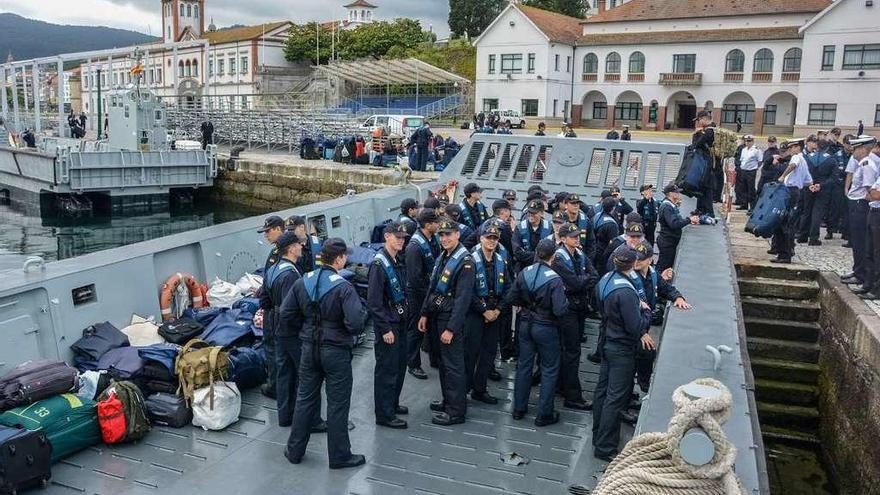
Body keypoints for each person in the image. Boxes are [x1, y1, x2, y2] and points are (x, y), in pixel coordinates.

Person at [284, 239, 367, 469]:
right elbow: (356, 323)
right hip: (336, 352)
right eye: (345, 256)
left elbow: (286, 314)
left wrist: (306, 329)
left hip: (309, 349)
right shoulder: (343, 287)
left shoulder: (303, 281)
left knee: (304, 400)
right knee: (337, 404)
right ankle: (340, 456)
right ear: (339, 259)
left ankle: (294, 450)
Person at [592, 245, 653, 462]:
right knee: (615, 397)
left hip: (607, 341)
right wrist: (646, 312)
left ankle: (596, 434)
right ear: (633, 263)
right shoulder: (626, 291)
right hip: (621, 348)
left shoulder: (606, 279)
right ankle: (605, 446)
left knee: (602, 391)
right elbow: (635, 326)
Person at [417, 218, 475, 426]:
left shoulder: (465, 262)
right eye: (441, 235)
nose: (444, 238)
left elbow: (463, 299)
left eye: (448, 234)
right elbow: (433, 286)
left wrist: (451, 328)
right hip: (436, 314)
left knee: (453, 365)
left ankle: (456, 411)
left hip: (449, 318)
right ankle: (448, 400)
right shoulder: (444, 256)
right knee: (442, 362)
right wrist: (424, 313)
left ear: (457, 235)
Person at [508, 239, 568, 425]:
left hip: (526, 323)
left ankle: (519, 408)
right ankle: (544, 413)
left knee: (524, 365)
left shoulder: (525, 272)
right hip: (546, 326)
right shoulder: (555, 279)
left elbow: (512, 297)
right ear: (553, 256)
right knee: (549, 368)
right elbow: (559, 310)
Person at [368, 222, 411, 429]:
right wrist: (385, 329)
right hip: (389, 326)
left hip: (400, 321)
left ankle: (392, 403)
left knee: (400, 365)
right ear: (387, 237)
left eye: (403, 237)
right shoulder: (379, 265)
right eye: (397, 237)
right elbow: (374, 303)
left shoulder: (397, 260)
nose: (401, 240)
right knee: (387, 370)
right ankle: (384, 414)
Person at [552, 223, 598, 411]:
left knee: (571, 348)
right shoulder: (560, 259)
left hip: (578, 307)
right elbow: (575, 282)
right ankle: (572, 395)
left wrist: (580, 282)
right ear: (563, 239)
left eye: (578, 235)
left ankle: (561, 385)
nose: (577, 238)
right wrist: (581, 281)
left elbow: (593, 275)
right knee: (571, 351)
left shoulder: (579, 255)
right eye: (573, 236)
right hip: (567, 309)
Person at [272, 233, 314, 427]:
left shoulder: (273, 269)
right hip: (291, 332)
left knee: (284, 373)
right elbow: (291, 307)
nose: (301, 246)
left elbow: (264, 300)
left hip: (277, 329)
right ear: (290, 248)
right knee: (305, 374)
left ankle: (285, 416)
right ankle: (309, 419)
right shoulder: (291, 274)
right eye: (298, 244)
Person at [465, 223, 510, 404]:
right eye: (488, 237)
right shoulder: (470, 261)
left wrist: (497, 310)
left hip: (495, 313)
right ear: (481, 238)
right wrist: (484, 311)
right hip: (476, 314)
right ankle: (464, 388)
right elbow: (467, 291)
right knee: (469, 354)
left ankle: (480, 389)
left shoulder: (501, 261)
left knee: (489, 353)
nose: (492, 241)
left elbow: (508, 288)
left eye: (495, 238)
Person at [257, 216, 292, 400]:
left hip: (277, 311)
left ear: (279, 229)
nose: (266, 235)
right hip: (279, 308)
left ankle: (276, 387)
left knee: (274, 349)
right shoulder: (282, 252)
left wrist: (265, 305)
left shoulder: (280, 254)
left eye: (268, 231)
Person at [405, 209, 441, 379]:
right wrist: (428, 297)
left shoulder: (432, 240)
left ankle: (435, 359)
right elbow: (414, 278)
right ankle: (413, 364)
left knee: (432, 327)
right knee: (416, 329)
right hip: (418, 295)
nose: (439, 224)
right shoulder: (414, 246)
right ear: (428, 225)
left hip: (430, 291)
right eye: (436, 222)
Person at [840, 136, 877, 288]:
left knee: (861, 241)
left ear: (862, 149)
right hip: (856, 202)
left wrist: (862, 201)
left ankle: (861, 273)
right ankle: (857, 270)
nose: (853, 151)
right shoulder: (862, 163)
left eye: (855, 148)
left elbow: (869, 189)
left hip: (860, 204)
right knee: (856, 240)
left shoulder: (866, 164)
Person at [770, 139, 813, 264]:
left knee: (783, 223)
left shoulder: (797, 158)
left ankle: (784, 254)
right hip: (796, 191)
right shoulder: (804, 161)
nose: (789, 151)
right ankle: (787, 251)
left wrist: (783, 176)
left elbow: (792, 165)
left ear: (796, 147)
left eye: (791, 148)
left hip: (789, 191)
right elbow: (808, 181)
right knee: (788, 223)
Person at [852, 139, 880, 299]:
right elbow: (872, 193)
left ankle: (876, 288)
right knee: (869, 250)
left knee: (877, 252)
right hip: (873, 210)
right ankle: (868, 284)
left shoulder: (868, 163)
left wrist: (874, 193)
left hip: (877, 211)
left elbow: (874, 193)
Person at [796, 135, 833, 246]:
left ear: (817, 146)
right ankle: (813, 238)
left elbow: (802, 173)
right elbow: (834, 177)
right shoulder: (831, 160)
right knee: (817, 213)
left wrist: (810, 184)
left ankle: (802, 236)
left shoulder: (807, 158)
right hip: (822, 189)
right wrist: (820, 185)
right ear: (827, 148)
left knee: (806, 211)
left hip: (808, 187)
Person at [656, 184, 700, 272]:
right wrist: (689, 220)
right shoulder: (667, 207)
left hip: (670, 241)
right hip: (667, 241)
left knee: (665, 265)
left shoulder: (671, 205)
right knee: (664, 266)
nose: (679, 194)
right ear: (671, 194)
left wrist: (689, 220)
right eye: (676, 192)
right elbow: (674, 224)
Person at [514, 200, 553, 271]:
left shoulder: (550, 228)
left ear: (541, 213)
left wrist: (527, 254)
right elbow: (517, 253)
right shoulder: (520, 228)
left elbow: (552, 251)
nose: (531, 215)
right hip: (523, 268)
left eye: (534, 213)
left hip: (544, 269)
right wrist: (540, 256)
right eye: (530, 212)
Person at [692, 110, 716, 218]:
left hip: (708, 164)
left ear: (705, 119)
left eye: (699, 120)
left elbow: (696, 144)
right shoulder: (707, 130)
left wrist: (696, 134)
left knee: (706, 188)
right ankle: (701, 209)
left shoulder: (709, 131)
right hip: (706, 163)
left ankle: (708, 212)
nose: (698, 123)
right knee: (702, 187)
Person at [561, 193, 597, 262]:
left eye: (577, 203)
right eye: (573, 203)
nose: (576, 205)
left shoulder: (585, 221)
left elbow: (591, 244)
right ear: (565, 205)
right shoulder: (559, 221)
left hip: (581, 259)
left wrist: (587, 261)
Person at [593, 197, 623, 275]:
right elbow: (613, 244)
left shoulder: (597, 216)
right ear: (613, 208)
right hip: (604, 254)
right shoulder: (611, 224)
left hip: (595, 249)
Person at [737, 135, 762, 212]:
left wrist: (755, 168)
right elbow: (742, 160)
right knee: (743, 188)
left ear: (753, 141)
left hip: (751, 171)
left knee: (751, 189)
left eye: (749, 141)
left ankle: (752, 207)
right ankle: (744, 204)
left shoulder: (756, 150)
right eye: (746, 141)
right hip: (743, 170)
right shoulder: (744, 149)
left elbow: (760, 161)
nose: (748, 142)